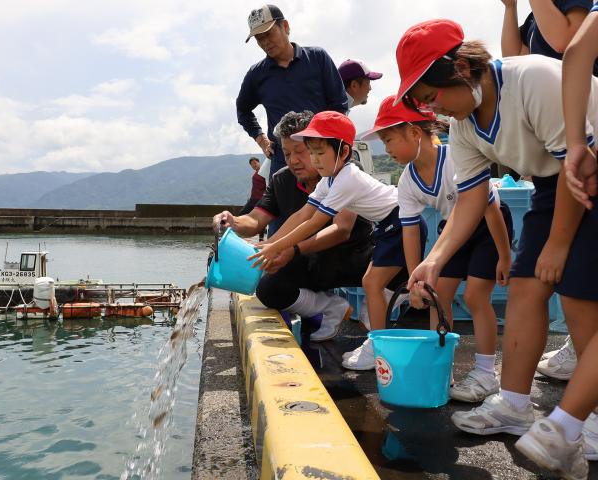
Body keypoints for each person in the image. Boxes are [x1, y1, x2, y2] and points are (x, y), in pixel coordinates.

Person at [394, 19, 598, 479]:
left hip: (587, 167)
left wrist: (560, 245)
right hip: (553, 184)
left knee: (580, 298)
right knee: (525, 288)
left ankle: (591, 417)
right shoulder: (465, 127)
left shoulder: (534, 79)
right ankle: (514, 403)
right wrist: (433, 260)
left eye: (433, 96)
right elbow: (470, 199)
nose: (436, 109)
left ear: (462, 68)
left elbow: (577, 160)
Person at [361, 95, 513, 402]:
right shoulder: (407, 182)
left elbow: (491, 208)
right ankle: (440, 367)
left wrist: (505, 256)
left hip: (489, 226)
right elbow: (410, 231)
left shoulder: (456, 157)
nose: (386, 149)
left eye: (389, 139)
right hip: (454, 231)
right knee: (437, 297)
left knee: (474, 296)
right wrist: (415, 279)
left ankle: (486, 372)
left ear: (415, 133)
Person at [250, 111, 421, 370]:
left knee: (372, 284)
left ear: (343, 152)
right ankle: (380, 334)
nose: (316, 161)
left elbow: (315, 222)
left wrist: (278, 246)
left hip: (401, 223)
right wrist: (272, 242)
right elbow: (302, 213)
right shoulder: (331, 179)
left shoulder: (347, 179)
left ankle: (378, 348)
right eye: (313, 153)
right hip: (389, 226)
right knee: (373, 285)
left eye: (320, 153)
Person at [500, 0, 597, 381]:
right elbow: (514, 59)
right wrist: (510, 9)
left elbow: (565, 42)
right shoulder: (532, 18)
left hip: (585, 140)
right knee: (533, 279)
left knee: (579, 283)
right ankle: (513, 400)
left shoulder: (575, 3)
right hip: (559, 152)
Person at [213, 110, 373, 341]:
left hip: (353, 259)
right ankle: (329, 307)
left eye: (301, 151)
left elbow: (342, 230)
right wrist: (234, 222)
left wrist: (292, 249)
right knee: (268, 288)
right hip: (312, 262)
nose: (293, 160)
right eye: (287, 153)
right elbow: (257, 219)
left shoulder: (345, 173)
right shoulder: (282, 180)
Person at [236, 4, 348, 179]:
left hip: (322, 157)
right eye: (259, 38)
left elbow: (339, 105)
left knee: (330, 206)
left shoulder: (317, 58)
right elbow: (242, 110)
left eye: (268, 34)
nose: (265, 42)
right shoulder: (256, 75)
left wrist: (326, 144)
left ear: (285, 27)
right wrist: (261, 140)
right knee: (285, 205)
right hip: (284, 161)